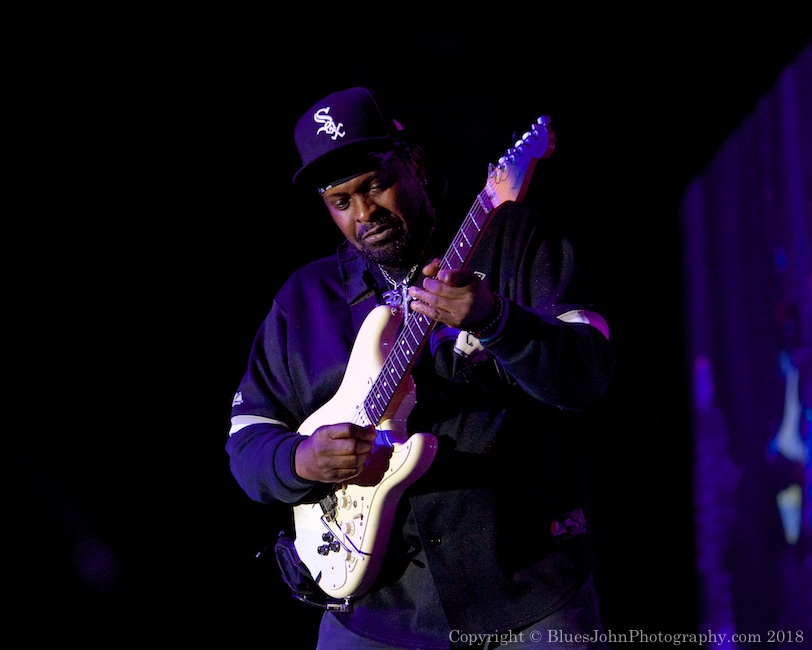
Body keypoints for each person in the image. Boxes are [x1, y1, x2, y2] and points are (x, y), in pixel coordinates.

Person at [226, 87, 616, 649]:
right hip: (374, 615)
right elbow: (246, 440)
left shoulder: (513, 241)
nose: (364, 214)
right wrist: (302, 459)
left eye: (375, 185)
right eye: (341, 201)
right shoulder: (303, 300)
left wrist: (495, 319)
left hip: (529, 595)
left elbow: (588, 374)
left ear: (415, 163)